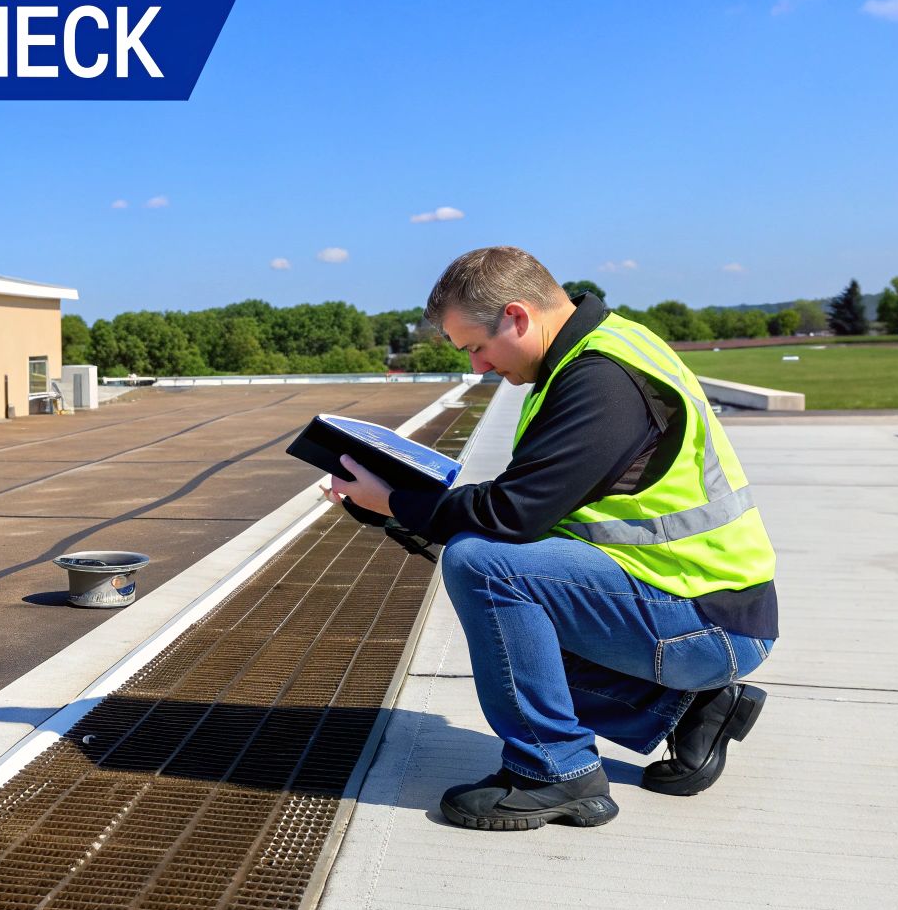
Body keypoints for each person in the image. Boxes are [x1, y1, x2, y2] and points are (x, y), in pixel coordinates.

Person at [324, 246, 777, 831]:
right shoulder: (590, 351)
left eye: (476, 348)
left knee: (484, 567)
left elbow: (511, 518)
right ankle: (688, 709)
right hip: (692, 604)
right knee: (500, 597)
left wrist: (393, 500)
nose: (480, 369)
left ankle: (554, 771)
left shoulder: (603, 380)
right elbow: (526, 514)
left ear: (516, 316)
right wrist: (392, 509)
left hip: (708, 621)